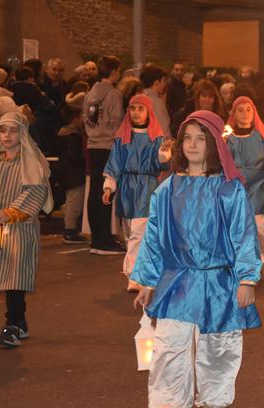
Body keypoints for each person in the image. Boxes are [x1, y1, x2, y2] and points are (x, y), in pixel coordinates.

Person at [131, 110, 261, 408]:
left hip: (219, 281)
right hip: (178, 280)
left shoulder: (230, 191)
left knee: (218, 348)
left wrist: (247, 279)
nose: (192, 144)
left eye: (200, 138)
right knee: (168, 347)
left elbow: (243, 235)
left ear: (214, 144)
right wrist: (146, 281)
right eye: (187, 138)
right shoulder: (166, 190)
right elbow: (154, 238)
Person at [0, 112, 53, 348]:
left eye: (13, 130)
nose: (7, 136)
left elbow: (37, 191)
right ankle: (20, 322)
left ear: (22, 133)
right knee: (6, 275)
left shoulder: (30, 161)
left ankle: (13, 325)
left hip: (21, 227)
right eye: (3, 130)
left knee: (16, 275)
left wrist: (12, 212)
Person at [103, 94, 170, 291]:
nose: (137, 113)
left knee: (139, 233)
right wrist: (109, 187)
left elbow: (161, 164)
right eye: (133, 108)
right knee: (130, 232)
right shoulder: (121, 138)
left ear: (148, 112)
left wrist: (165, 154)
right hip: (126, 188)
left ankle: (134, 276)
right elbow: (114, 164)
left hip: (147, 188)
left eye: (141, 109)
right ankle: (145, 273)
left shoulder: (156, 138)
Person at [226, 96, 264, 264]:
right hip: (234, 190)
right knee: (235, 228)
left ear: (254, 113)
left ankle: (256, 262)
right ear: (234, 114)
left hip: (257, 189)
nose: (245, 113)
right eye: (240, 110)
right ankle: (237, 263)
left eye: (248, 110)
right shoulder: (227, 138)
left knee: (257, 229)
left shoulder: (262, 137)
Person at [83, 55, 125, 255]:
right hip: (108, 145)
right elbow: (117, 122)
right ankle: (102, 241)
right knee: (107, 191)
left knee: (94, 192)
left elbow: (87, 119)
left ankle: (99, 237)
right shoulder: (113, 94)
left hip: (93, 144)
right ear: (114, 72)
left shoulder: (91, 92)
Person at [56, 105, 88, 244]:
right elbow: (74, 156)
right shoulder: (73, 136)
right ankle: (70, 231)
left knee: (72, 202)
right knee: (74, 203)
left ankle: (71, 229)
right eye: (81, 117)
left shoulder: (64, 134)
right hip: (74, 174)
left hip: (68, 173)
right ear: (75, 119)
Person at [141, 64, 172, 138]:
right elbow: (164, 130)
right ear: (156, 82)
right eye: (163, 81)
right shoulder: (156, 102)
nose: (164, 84)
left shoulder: (138, 98)